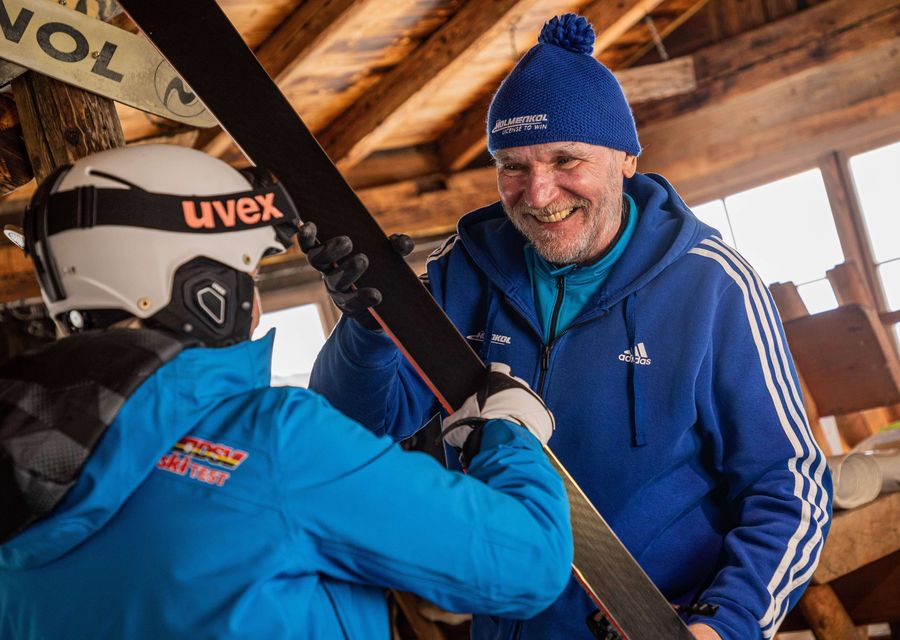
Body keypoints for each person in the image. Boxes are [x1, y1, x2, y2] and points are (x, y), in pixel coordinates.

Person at [307, 14, 833, 640]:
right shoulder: (461, 275)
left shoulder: (711, 286)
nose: (538, 194)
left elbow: (790, 482)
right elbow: (356, 427)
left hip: (651, 623)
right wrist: (366, 331)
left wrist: (727, 621)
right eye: (513, 166)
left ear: (626, 158)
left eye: (565, 160)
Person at [0, 144, 575, 639]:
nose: (251, 298)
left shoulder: (25, 460)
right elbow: (529, 564)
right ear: (205, 292)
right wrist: (510, 433)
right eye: (246, 271)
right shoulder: (269, 440)